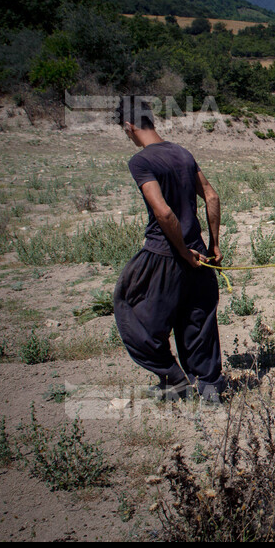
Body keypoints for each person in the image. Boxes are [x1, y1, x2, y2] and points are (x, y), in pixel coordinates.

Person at [112, 96, 226, 401]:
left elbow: (163, 213)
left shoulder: (142, 161)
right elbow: (212, 197)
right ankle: (210, 385)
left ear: (129, 126)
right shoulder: (183, 154)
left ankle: (173, 380)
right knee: (197, 317)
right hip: (201, 253)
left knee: (130, 308)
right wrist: (213, 244)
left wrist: (184, 253)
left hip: (166, 253)